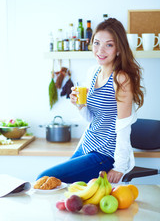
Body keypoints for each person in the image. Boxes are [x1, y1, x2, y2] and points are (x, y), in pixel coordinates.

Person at [37, 18, 144, 183]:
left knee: (44, 179)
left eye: (109, 45)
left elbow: (124, 126)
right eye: (96, 43)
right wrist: (80, 106)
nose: (100, 50)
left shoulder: (121, 79)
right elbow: (94, 119)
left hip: (105, 154)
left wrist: (120, 166)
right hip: (87, 145)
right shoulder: (93, 72)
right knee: (58, 187)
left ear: (119, 49)